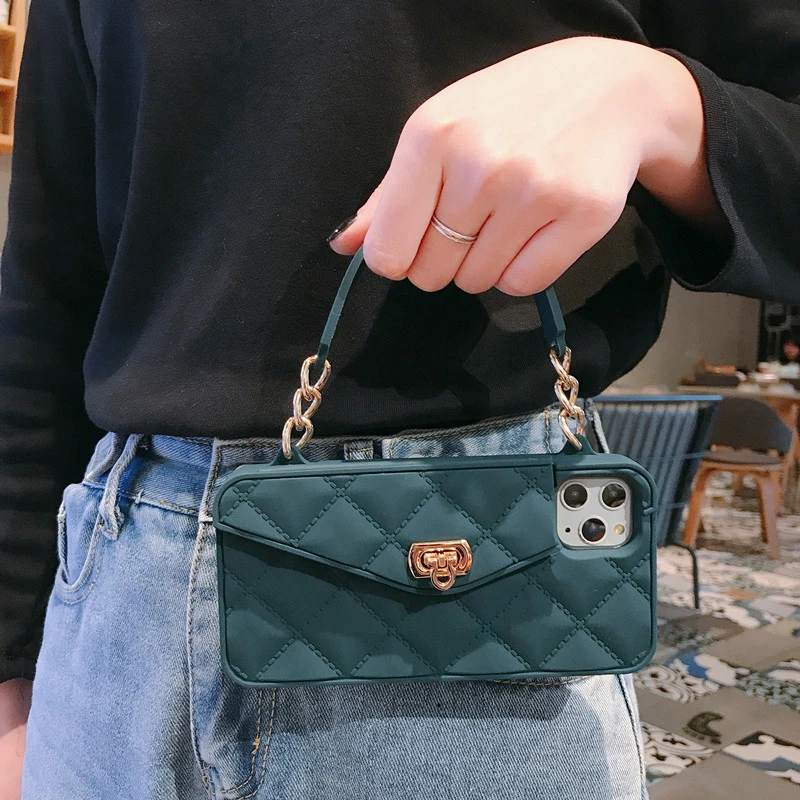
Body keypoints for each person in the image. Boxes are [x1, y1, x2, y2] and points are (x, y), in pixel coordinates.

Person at [0, 0, 798, 797]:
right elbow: (44, 292)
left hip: (503, 597)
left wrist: (657, 101)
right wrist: (11, 674)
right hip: (115, 603)